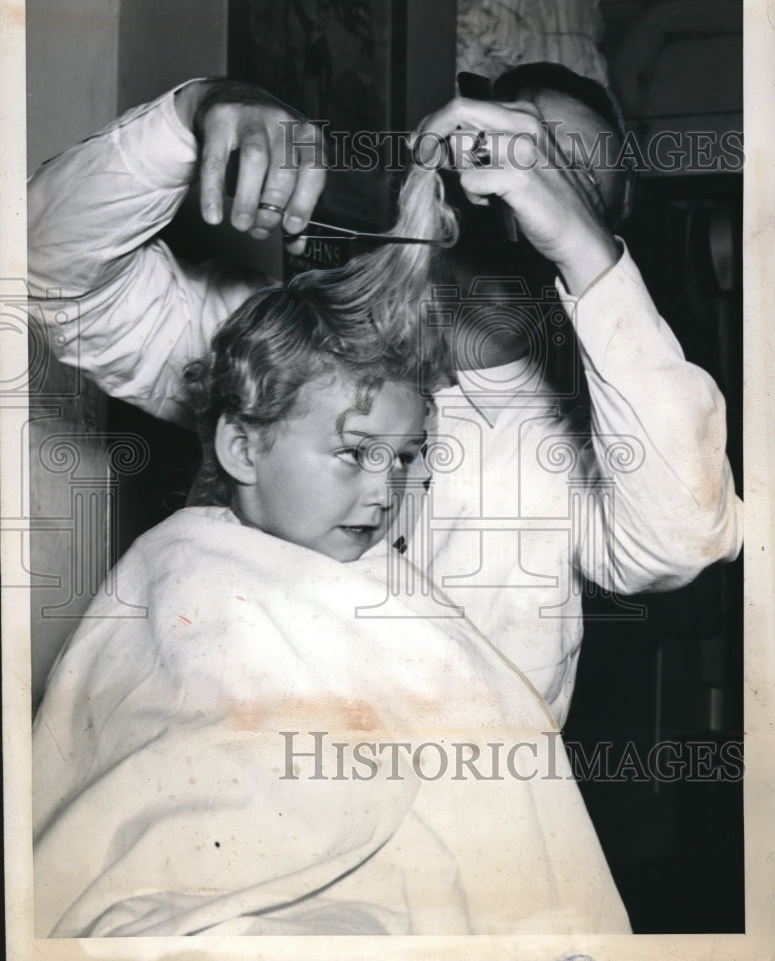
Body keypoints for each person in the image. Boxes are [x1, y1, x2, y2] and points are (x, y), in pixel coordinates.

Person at [28, 69, 743, 729]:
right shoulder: (277, 345)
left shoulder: (589, 441)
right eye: (518, 142)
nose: (531, 174)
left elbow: (681, 539)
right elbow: (54, 276)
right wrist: (194, 112)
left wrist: (587, 256)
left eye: (569, 179)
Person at [31, 235, 632, 937]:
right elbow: (177, 861)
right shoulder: (194, 594)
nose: (384, 491)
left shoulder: (372, 574)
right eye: (352, 453)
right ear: (242, 447)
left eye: (404, 457)